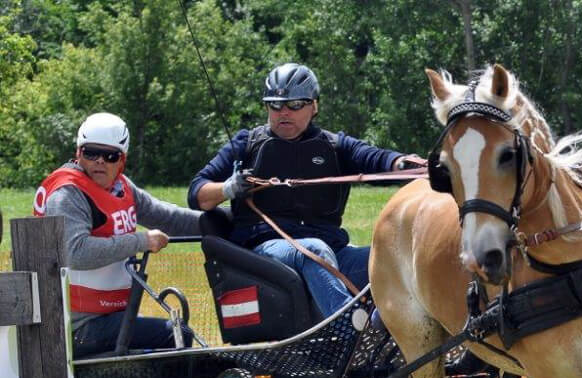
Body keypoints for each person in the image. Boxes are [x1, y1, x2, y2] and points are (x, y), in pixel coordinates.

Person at [188, 62, 418, 318]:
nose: (283, 112)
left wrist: (406, 164)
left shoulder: (333, 145)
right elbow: (197, 193)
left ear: (314, 105)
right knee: (313, 250)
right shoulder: (246, 143)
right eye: (275, 104)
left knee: (398, 256)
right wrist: (229, 187)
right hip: (267, 255)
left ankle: (393, 336)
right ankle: (346, 331)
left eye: (295, 104)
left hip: (333, 253)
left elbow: (375, 159)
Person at [34, 112, 202, 357]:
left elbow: (168, 217)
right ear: (79, 152)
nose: (100, 161)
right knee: (176, 334)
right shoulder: (67, 194)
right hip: (74, 328)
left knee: (172, 335)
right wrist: (141, 241)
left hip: (110, 317)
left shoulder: (121, 187)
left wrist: (221, 221)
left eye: (110, 156)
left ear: (121, 160)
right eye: (92, 152)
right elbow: (75, 253)